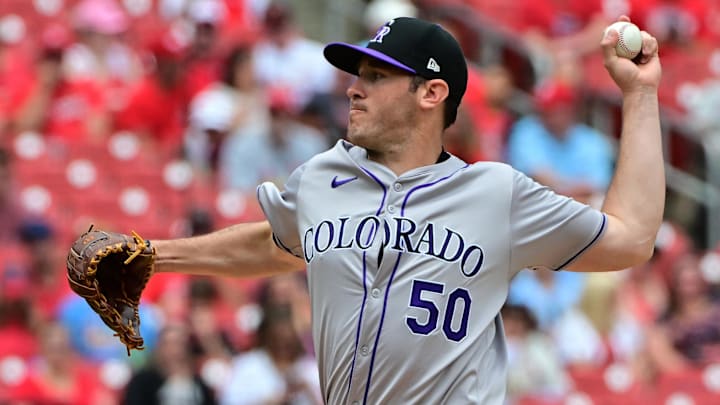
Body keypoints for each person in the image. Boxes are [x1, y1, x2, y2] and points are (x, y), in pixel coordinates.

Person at [79, 16, 663, 404]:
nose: (354, 88)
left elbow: (633, 238)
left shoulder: (496, 193)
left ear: (432, 94)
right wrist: (157, 258)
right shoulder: (324, 176)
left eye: (377, 76)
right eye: (357, 75)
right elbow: (278, 244)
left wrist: (639, 96)